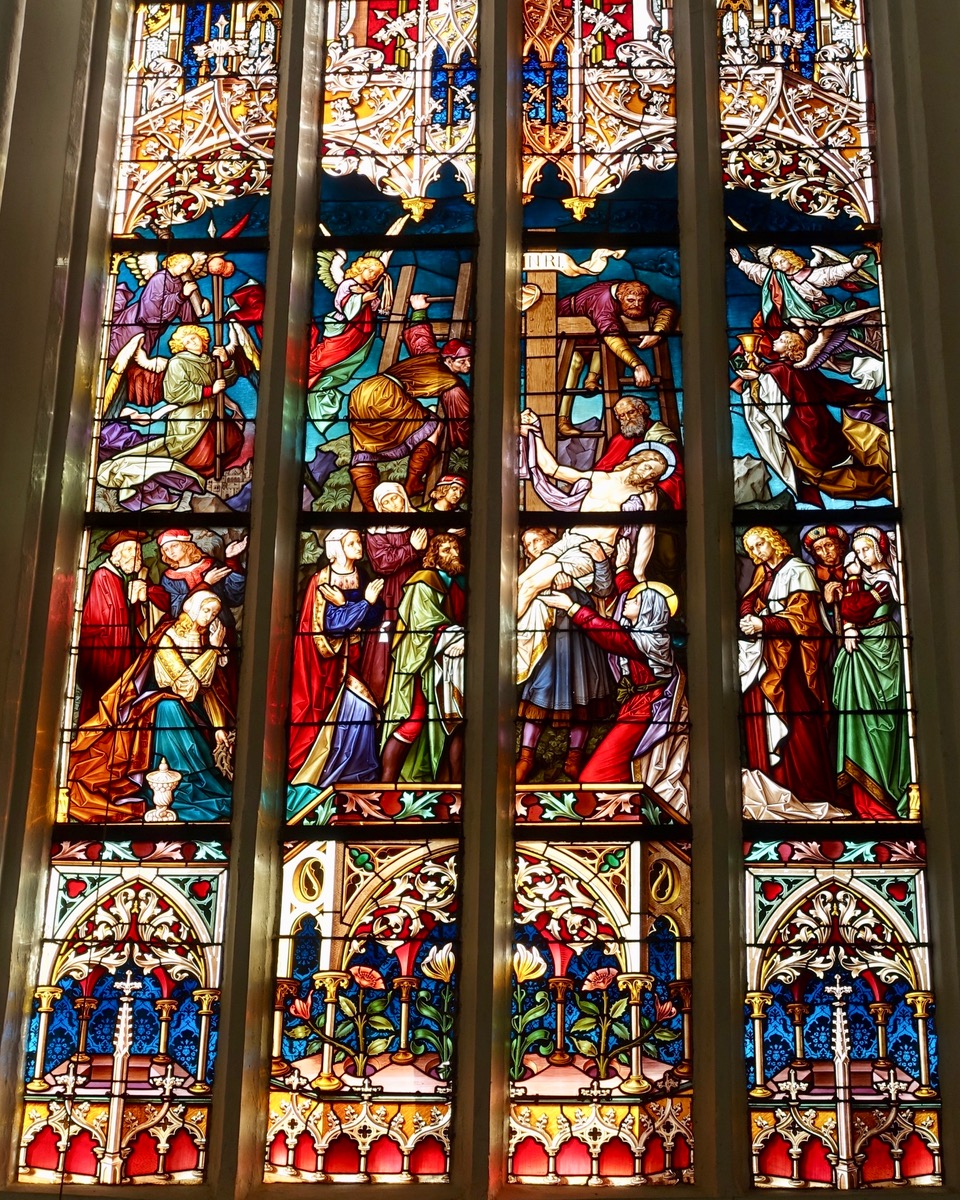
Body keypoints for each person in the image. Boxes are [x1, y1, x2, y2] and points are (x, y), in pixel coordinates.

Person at [67, 590, 235, 822]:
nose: (209, 617)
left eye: (214, 614)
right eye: (206, 610)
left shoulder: (208, 640)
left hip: (196, 712)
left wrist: (219, 727)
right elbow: (184, 686)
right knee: (169, 707)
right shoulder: (168, 636)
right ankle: (182, 782)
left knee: (177, 712)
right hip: (158, 704)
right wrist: (212, 652)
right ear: (194, 608)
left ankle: (196, 783)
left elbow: (210, 692)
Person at [540, 556, 686, 792]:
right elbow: (629, 592)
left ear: (647, 610)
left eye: (636, 601)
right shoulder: (643, 631)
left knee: (595, 778)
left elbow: (608, 634)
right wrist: (622, 567)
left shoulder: (648, 641)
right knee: (621, 770)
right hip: (637, 704)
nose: (628, 600)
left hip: (649, 710)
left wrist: (571, 607)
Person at [738, 526, 838, 812]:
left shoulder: (798, 570)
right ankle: (774, 788)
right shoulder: (764, 573)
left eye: (760, 544)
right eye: (752, 548)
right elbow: (749, 600)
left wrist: (764, 623)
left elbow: (805, 621)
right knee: (763, 716)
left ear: (774, 542)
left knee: (799, 721)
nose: (756, 551)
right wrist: (748, 616)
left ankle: (808, 791)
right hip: (768, 655)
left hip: (795, 662)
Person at [288, 530, 385, 816]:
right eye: (351, 543)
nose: (359, 546)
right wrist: (362, 604)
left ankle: (357, 776)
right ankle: (331, 775)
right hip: (327, 663)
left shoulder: (362, 576)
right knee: (358, 709)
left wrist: (356, 606)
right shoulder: (322, 580)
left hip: (355, 656)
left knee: (361, 711)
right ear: (337, 549)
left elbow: (375, 616)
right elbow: (330, 625)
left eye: (358, 542)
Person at [735, 329, 891, 507]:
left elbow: (776, 396)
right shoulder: (790, 369)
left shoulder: (783, 370)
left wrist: (758, 377)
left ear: (790, 348)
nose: (775, 341)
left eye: (781, 340)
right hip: (820, 424)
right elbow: (821, 388)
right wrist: (760, 371)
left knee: (820, 469)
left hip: (805, 429)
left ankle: (878, 481)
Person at [96, 324, 245, 511]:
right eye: (187, 341)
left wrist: (225, 361)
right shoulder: (177, 363)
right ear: (182, 346)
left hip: (211, 414)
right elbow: (174, 392)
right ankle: (185, 481)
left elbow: (227, 380)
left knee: (233, 440)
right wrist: (209, 390)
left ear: (203, 339)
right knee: (203, 454)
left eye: (194, 338)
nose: (192, 342)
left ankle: (205, 477)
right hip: (190, 418)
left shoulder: (208, 360)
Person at [348, 298, 472, 508]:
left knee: (364, 443)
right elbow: (461, 417)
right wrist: (465, 438)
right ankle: (413, 482)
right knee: (434, 426)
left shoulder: (431, 356)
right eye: (462, 361)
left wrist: (419, 311)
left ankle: (370, 509)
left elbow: (419, 339)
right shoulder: (453, 383)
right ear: (449, 360)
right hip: (388, 395)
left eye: (469, 360)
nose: (467, 365)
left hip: (363, 392)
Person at [515, 527, 616, 783]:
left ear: (551, 541)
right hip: (547, 641)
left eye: (536, 541)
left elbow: (604, 590)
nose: (531, 548)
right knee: (540, 690)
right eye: (527, 546)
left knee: (583, 692)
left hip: (581, 637)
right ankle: (526, 758)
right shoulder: (534, 573)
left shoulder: (577, 558)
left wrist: (600, 562)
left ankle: (574, 758)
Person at [832, 527, 912, 818]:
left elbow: (855, 609)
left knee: (883, 720)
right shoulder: (865, 579)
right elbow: (849, 613)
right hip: (860, 653)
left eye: (866, 549)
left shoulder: (885, 580)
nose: (862, 556)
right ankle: (864, 803)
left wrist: (852, 581)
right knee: (857, 717)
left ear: (879, 550)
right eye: (858, 551)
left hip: (882, 648)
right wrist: (849, 628)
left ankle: (889, 797)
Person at [380, 533, 467, 783]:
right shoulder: (423, 581)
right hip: (421, 663)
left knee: (457, 724)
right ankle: (385, 784)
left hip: (454, 665)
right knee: (413, 719)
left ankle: (452, 786)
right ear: (434, 556)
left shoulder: (460, 583)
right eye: (446, 550)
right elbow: (423, 625)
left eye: (455, 548)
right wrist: (460, 636)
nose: (454, 553)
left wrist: (465, 639)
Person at [75, 530, 165, 723]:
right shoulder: (103, 576)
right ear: (117, 553)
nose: (136, 556)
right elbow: (102, 617)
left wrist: (144, 596)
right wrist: (130, 601)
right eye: (130, 550)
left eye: (138, 551)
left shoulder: (135, 575)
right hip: (106, 648)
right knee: (104, 694)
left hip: (127, 645)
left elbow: (158, 603)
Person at [360, 482, 427, 705]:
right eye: (385, 502)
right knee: (385, 644)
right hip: (391, 594)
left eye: (395, 498)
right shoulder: (376, 531)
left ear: (403, 497)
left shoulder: (421, 523)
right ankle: (379, 700)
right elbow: (382, 564)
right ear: (380, 507)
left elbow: (432, 552)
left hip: (420, 589)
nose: (392, 504)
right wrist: (412, 549)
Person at [557, 277, 677, 395]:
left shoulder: (638, 294)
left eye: (640, 300)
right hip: (569, 321)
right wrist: (637, 365)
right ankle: (562, 408)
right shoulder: (603, 303)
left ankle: (592, 379)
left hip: (599, 332)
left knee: (607, 347)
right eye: (630, 300)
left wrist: (658, 332)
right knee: (575, 362)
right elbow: (612, 336)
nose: (636, 304)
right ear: (619, 297)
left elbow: (666, 308)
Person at [593, 395, 685, 508]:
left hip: (652, 490)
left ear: (641, 410)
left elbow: (676, 473)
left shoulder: (661, 436)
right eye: (622, 415)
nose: (627, 418)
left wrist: (648, 487)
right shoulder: (618, 440)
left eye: (631, 412)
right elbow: (603, 469)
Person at [157, 529, 247, 618]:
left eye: (174, 546)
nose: (171, 552)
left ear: (187, 545)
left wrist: (231, 560)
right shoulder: (168, 578)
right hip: (187, 625)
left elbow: (233, 597)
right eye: (166, 549)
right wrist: (206, 584)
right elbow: (176, 609)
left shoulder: (211, 565)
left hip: (221, 620)